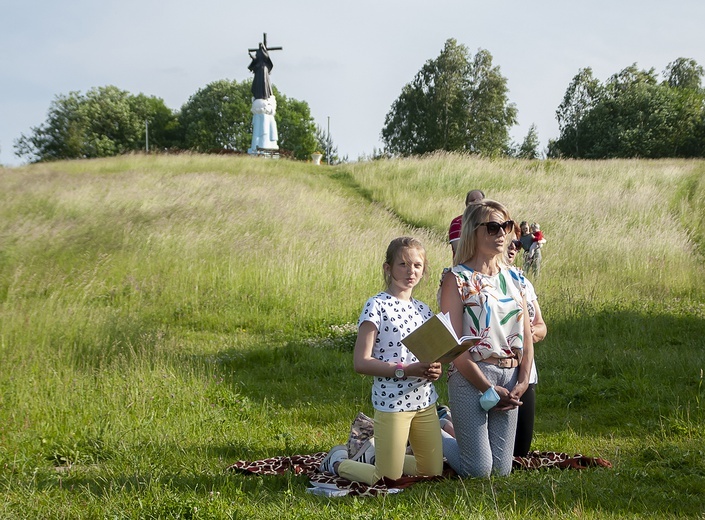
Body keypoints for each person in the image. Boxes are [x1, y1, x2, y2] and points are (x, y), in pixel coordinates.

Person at [318, 237, 444, 484]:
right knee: (386, 480)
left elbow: (429, 355)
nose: (411, 271)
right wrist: (406, 370)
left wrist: (435, 368)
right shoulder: (375, 306)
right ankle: (338, 461)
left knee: (431, 472)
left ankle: (376, 454)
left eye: (417, 265)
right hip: (393, 402)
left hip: (425, 400)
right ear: (388, 268)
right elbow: (361, 362)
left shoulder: (424, 309)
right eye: (403, 264)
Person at [438, 200, 534, 477]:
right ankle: (431, 428)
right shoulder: (456, 279)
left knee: (502, 472)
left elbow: (527, 337)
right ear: (473, 232)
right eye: (492, 227)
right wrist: (487, 388)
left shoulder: (516, 277)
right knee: (478, 471)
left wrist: (523, 381)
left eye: (506, 226)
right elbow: (454, 346)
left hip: (510, 376)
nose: (502, 233)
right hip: (472, 375)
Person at [507, 238, 547, 456]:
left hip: (526, 372)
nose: (513, 247)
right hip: (496, 372)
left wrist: (528, 334)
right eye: (508, 241)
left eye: (517, 243)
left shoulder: (523, 282)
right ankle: (444, 425)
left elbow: (541, 326)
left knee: (520, 453)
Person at [448, 189, 485, 258]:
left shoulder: (489, 222)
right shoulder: (457, 223)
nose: (476, 203)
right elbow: (460, 252)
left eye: (479, 200)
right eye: (472, 200)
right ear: (466, 204)